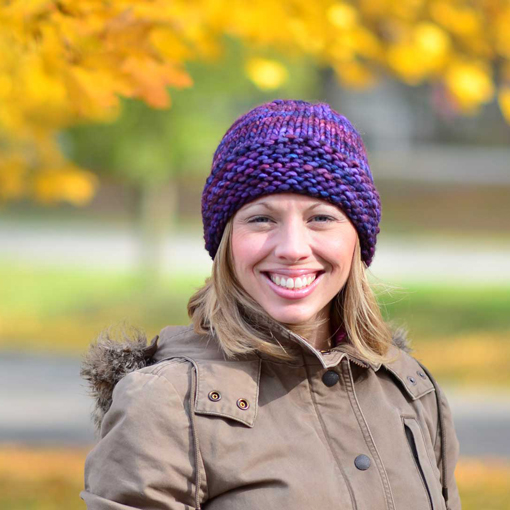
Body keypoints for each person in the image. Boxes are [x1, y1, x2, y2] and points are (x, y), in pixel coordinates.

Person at [80, 99, 462, 509]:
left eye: (321, 218)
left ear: (358, 239)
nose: (293, 248)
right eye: (262, 219)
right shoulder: (164, 404)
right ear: (226, 243)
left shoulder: (409, 389)